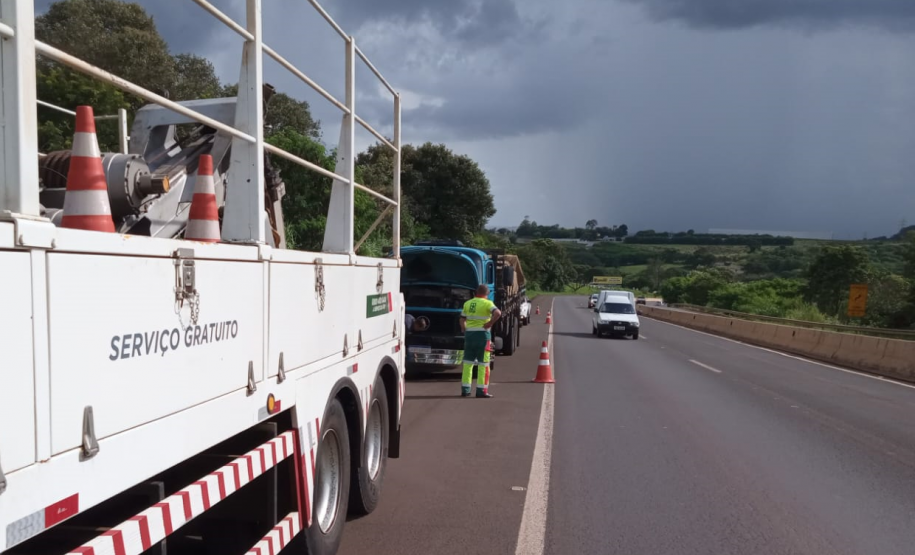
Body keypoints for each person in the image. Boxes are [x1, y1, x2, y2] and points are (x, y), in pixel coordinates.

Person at [459, 284, 501, 398]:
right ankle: (481, 391)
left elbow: (462, 319)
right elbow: (498, 313)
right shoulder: (487, 303)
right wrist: (490, 323)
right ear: (486, 294)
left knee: (468, 363)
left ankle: (465, 390)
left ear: (476, 293)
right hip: (483, 336)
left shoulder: (467, 303)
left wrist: (464, 328)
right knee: (483, 364)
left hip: (469, 336)